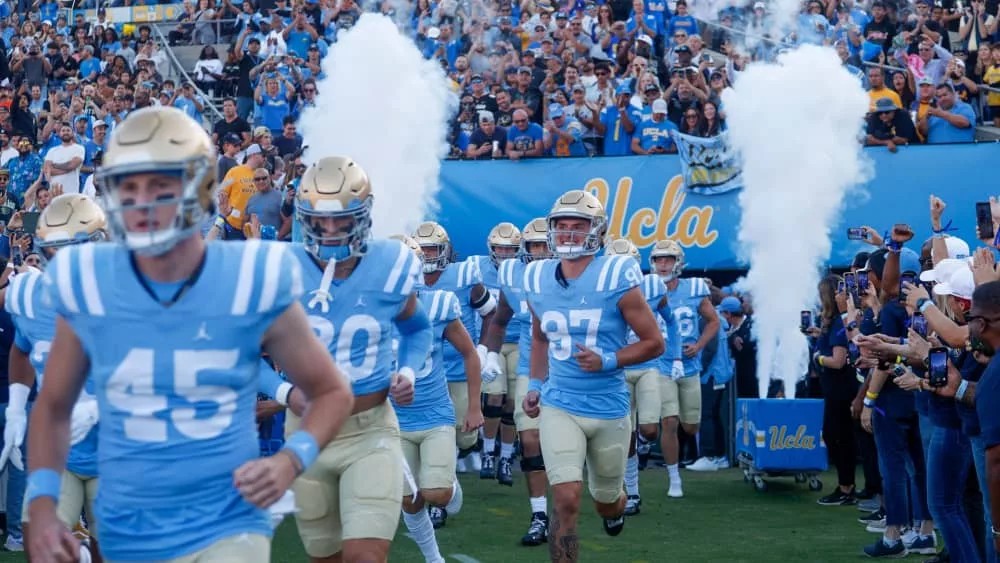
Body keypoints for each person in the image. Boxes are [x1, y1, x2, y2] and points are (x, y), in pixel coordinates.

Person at [23, 106, 355, 562]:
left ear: (196, 189)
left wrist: (290, 458)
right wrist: (43, 503)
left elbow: (331, 391)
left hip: (228, 519)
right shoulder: (88, 280)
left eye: (159, 187)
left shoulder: (250, 276)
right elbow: (53, 407)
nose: (141, 203)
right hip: (130, 524)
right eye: (128, 187)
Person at [284, 156, 433, 562]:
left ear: (363, 216)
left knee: (365, 557)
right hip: (306, 431)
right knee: (324, 557)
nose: (331, 230)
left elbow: (417, 329)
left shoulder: (390, 263)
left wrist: (407, 371)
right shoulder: (282, 269)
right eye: (320, 221)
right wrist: (283, 393)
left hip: (370, 430)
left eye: (342, 220)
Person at [521, 190, 665, 562]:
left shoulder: (616, 274)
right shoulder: (536, 276)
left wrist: (609, 360)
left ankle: (615, 508)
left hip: (608, 407)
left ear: (597, 231)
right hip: (560, 403)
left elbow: (654, 343)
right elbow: (539, 337)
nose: (568, 233)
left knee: (607, 501)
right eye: (562, 226)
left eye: (578, 226)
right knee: (566, 497)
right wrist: (535, 384)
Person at [4, 194, 108, 562]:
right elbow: (21, 348)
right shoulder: (29, 296)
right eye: (55, 251)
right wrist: (16, 409)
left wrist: (97, 407)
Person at [389, 234, 482, 562]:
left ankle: (449, 483)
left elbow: (470, 353)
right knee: (409, 500)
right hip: (394, 421)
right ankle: (434, 558)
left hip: (435, 414)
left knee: (437, 494)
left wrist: (474, 406)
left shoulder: (439, 304)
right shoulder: (369, 312)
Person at [412, 221, 497, 493]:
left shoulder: (463, 277)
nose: (427, 255)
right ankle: (440, 479)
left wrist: (482, 350)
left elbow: (491, 312)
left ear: (445, 251)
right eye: (422, 250)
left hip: (459, 366)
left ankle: (469, 447)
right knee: (437, 431)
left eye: (432, 249)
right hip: (424, 372)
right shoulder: (406, 281)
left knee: (463, 436)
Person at [485, 217, 553, 547]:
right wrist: (489, 353)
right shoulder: (512, 273)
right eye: (533, 245)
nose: (538, 252)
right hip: (531, 367)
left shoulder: (576, 273)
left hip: (572, 372)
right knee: (530, 439)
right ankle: (539, 515)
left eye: (543, 245)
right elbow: (499, 320)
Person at [604, 239, 681, 513]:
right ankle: (633, 494)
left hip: (648, 365)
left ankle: (644, 445)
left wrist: (676, 356)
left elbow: (671, 321)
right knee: (625, 436)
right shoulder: (598, 289)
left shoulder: (653, 286)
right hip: (619, 368)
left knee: (649, 430)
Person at [649, 239, 720, 495]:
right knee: (669, 421)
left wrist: (699, 345)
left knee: (690, 426)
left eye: (667, 259)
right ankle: (674, 478)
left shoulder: (694, 289)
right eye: (658, 259)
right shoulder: (646, 289)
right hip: (661, 364)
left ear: (678, 263)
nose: (663, 264)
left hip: (690, 365)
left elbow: (713, 321)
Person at [479, 222, 522, 486]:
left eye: (510, 249)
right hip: (492, 343)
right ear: (491, 248)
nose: (504, 253)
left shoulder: (525, 270)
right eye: (500, 248)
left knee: (513, 403)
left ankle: (505, 457)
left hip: (519, 342)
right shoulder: (476, 268)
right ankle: (487, 451)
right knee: (494, 397)